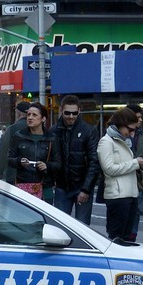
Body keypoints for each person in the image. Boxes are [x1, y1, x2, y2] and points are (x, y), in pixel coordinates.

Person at [98, 106, 143, 246]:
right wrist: (135, 163)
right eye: (130, 129)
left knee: (127, 237)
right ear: (119, 125)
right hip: (117, 196)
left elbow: (125, 165)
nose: (132, 134)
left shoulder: (123, 141)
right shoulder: (106, 141)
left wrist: (142, 165)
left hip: (130, 194)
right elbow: (108, 169)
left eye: (134, 130)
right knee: (116, 238)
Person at [50, 95, 100, 224]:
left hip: (81, 186)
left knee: (83, 227)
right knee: (59, 226)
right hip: (61, 186)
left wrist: (86, 189)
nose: (71, 116)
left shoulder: (89, 131)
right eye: (67, 113)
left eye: (74, 113)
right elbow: (50, 158)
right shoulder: (54, 131)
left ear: (79, 111)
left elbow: (94, 162)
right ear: (61, 110)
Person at [3, 102, 53, 198]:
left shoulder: (51, 138)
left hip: (44, 186)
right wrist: (19, 161)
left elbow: (58, 163)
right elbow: (9, 159)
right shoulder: (18, 135)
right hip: (22, 185)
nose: (30, 117)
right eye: (29, 114)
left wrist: (47, 165)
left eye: (34, 115)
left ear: (43, 118)